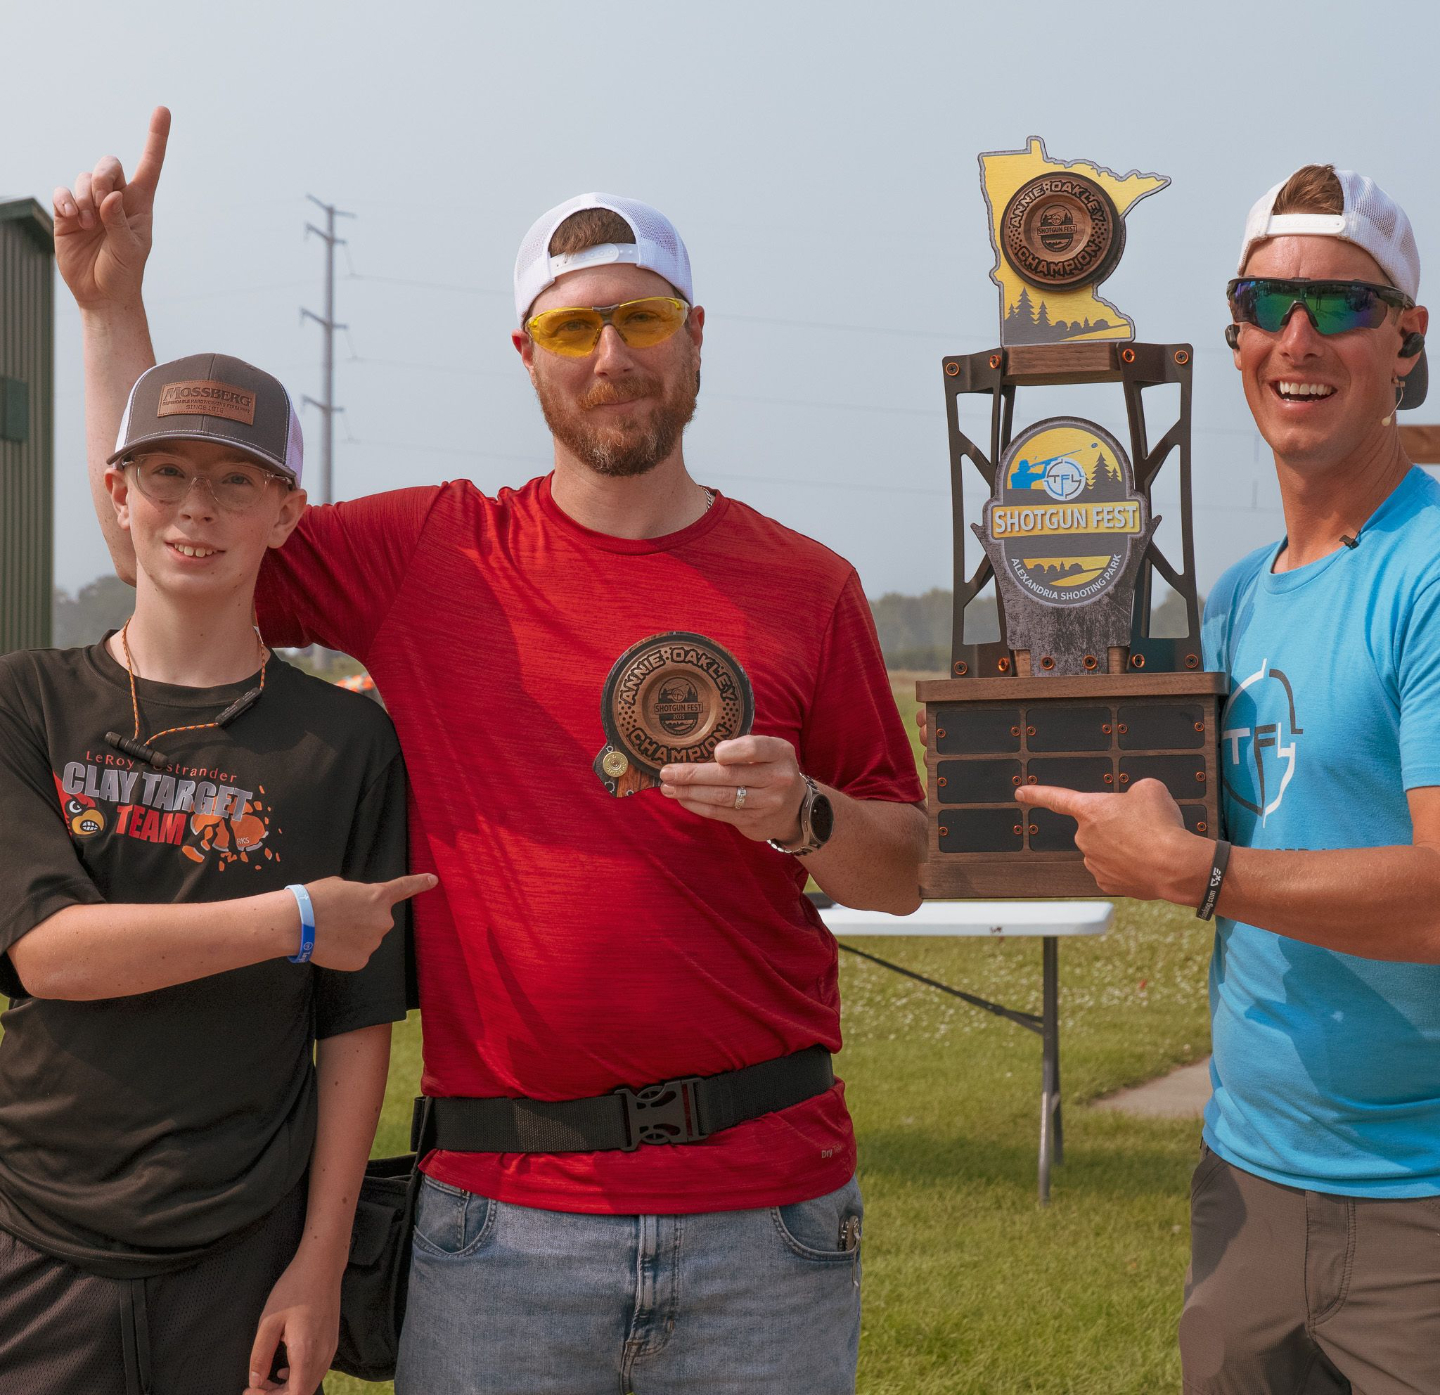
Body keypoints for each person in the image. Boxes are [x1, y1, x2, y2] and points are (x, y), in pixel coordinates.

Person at [58, 110, 926, 1394]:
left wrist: (803, 813)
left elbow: (903, 868)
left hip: (768, 1213)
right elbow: (167, 541)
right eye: (576, 328)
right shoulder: (432, 553)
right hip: (501, 1221)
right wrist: (110, 307)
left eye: (644, 318)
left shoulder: (811, 585)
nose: (613, 355)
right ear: (528, 356)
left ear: (697, 338)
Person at [1014, 165, 1440, 1393]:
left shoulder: (1426, 574)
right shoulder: (1242, 596)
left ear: (1408, 341)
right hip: (1247, 1182)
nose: (1299, 340)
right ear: (1235, 336)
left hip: (1418, 1202)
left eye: (1346, 307)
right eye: (1267, 304)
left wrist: (1199, 874)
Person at [0, 346, 435, 1395]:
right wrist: (292, 919)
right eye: (167, 474)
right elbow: (51, 954)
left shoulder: (348, 744)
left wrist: (319, 1265)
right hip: (33, 1236)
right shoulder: (29, 703)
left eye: (236, 479)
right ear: (120, 493)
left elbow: (355, 1034)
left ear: (285, 511)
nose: (197, 508)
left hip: (245, 1254)